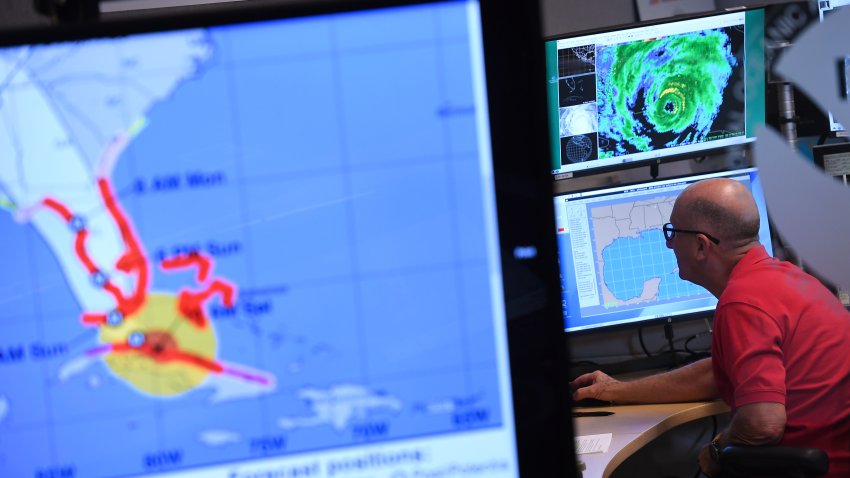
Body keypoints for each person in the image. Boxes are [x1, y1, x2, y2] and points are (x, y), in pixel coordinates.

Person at [570, 178, 850, 477]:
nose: (668, 243)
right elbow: (721, 372)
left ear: (701, 246)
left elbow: (762, 424)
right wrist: (618, 390)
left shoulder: (743, 303)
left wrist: (716, 451)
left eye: (673, 233)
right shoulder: (789, 279)